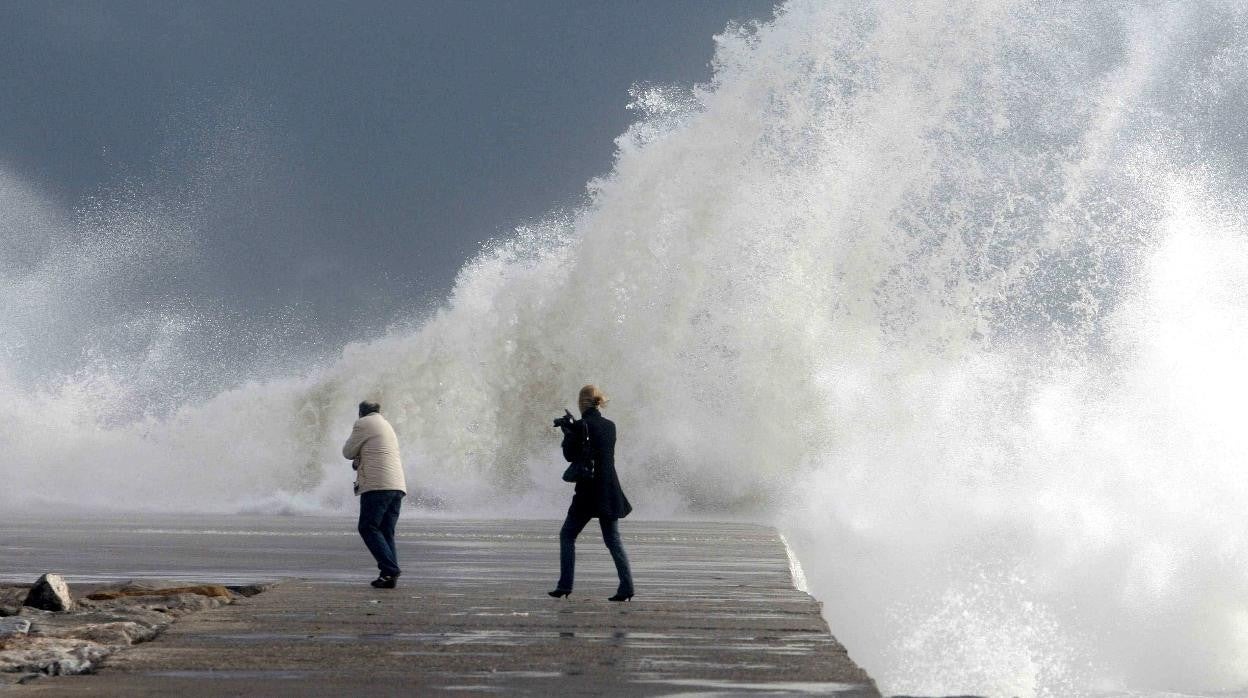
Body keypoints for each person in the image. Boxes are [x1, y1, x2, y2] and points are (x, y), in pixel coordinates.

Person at [549, 385, 634, 601]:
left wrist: (568, 431)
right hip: (609, 489)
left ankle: (565, 585)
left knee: (567, 535)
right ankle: (627, 587)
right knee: (613, 539)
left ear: (582, 402)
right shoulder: (610, 426)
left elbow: (570, 456)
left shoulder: (581, 426)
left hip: (588, 491)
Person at [342, 400, 407, 589]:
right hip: (397, 486)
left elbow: (347, 452)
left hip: (378, 486)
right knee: (386, 531)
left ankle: (390, 569)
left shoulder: (363, 423)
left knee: (368, 527)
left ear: (361, 412)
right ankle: (388, 576)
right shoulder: (386, 425)